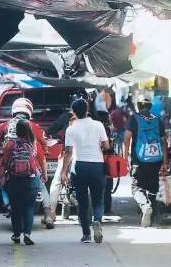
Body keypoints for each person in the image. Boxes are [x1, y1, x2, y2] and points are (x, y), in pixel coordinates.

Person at [0, 98, 54, 229]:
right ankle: (48, 215)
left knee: (1, 179)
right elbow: (43, 142)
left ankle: (4, 199)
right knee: (42, 186)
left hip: (10, 165)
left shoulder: (5, 126)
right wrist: (46, 151)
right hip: (30, 167)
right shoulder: (33, 127)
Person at [60, 99, 109, 243]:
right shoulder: (98, 125)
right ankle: (98, 220)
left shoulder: (71, 128)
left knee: (82, 202)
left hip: (79, 166)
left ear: (73, 113)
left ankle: (86, 234)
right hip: (97, 166)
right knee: (98, 199)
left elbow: (68, 152)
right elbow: (106, 146)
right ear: (87, 110)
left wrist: (64, 171)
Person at [0, 119, 48, 246]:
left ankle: (16, 234)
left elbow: (3, 163)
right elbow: (42, 161)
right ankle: (27, 235)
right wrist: (45, 175)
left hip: (14, 180)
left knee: (16, 208)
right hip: (31, 180)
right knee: (29, 207)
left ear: (17, 131)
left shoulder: (10, 145)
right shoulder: (34, 145)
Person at [123, 98, 168, 227]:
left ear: (138, 107)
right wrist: (164, 163)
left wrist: (125, 159)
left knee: (136, 187)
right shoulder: (157, 120)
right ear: (150, 107)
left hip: (139, 160)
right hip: (156, 160)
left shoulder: (134, 119)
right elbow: (164, 142)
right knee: (152, 188)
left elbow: (126, 140)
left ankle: (145, 206)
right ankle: (152, 218)